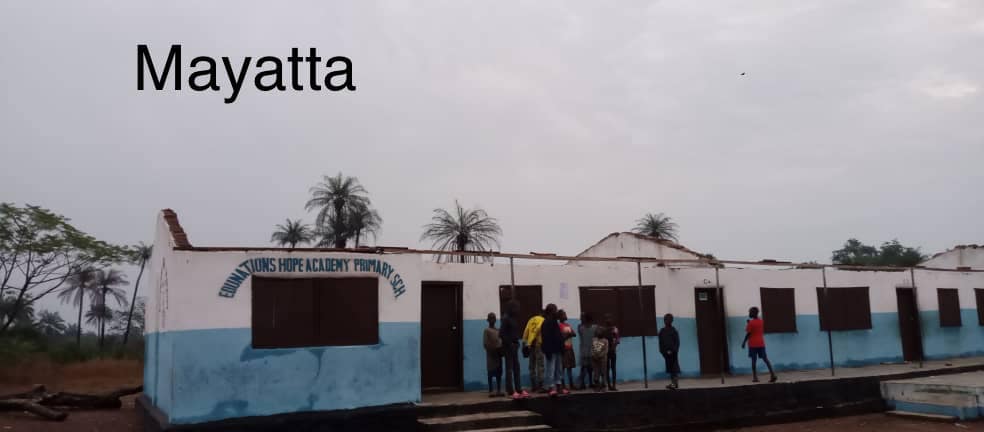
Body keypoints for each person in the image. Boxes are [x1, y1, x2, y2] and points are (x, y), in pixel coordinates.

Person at [741, 306, 778, 383]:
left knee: (753, 361)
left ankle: (755, 377)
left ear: (753, 313)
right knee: (766, 359)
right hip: (761, 343)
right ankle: (773, 374)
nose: (749, 313)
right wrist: (749, 323)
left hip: (753, 344)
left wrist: (744, 342)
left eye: (750, 312)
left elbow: (748, 334)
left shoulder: (751, 323)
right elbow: (756, 328)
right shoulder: (761, 321)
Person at [500, 301, 528, 399]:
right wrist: (510, 343)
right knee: (509, 369)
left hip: (515, 346)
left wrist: (517, 343)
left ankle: (518, 389)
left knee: (516, 368)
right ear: (511, 308)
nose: (518, 310)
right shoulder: (506, 319)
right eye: (516, 308)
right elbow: (501, 334)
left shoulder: (513, 319)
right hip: (508, 347)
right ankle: (510, 391)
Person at [540, 303, 566, 396]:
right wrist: (547, 351)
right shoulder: (546, 322)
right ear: (551, 311)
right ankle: (551, 387)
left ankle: (559, 386)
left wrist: (562, 348)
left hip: (557, 349)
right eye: (555, 310)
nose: (556, 311)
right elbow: (546, 338)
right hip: (550, 350)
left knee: (559, 369)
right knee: (550, 369)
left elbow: (558, 336)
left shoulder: (555, 322)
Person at [523, 309, 546, 392]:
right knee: (540, 365)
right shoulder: (543, 320)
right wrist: (532, 340)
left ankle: (533, 386)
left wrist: (525, 342)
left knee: (532, 365)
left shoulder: (531, 319)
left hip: (530, 345)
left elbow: (526, 331)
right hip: (538, 344)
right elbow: (538, 329)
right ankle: (540, 386)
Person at [483, 312, 504, 397]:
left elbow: (500, 341)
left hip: (499, 354)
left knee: (499, 373)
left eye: (493, 318)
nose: (492, 320)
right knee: (490, 372)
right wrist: (491, 350)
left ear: (495, 320)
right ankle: (491, 390)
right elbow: (485, 343)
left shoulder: (498, 330)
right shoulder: (486, 330)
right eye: (490, 318)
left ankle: (499, 390)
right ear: (488, 320)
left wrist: (501, 351)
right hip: (491, 354)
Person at [658, 313, 681, 390]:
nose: (667, 321)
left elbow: (677, 343)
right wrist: (663, 352)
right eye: (666, 320)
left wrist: (673, 351)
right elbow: (660, 343)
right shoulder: (662, 331)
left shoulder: (674, 331)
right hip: (666, 353)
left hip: (673, 353)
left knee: (674, 368)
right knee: (670, 368)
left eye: (669, 320)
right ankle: (673, 383)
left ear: (672, 321)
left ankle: (674, 383)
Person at [577, 312, 596, 390]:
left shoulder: (581, 327)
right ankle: (586, 383)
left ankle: (584, 383)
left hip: (585, 350)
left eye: (583, 317)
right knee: (587, 368)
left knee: (586, 368)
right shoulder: (594, 327)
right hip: (589, 350)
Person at [558, 309, 576, 391]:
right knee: (563, 367)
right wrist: (568, 335)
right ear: (560, 316)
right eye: (564, 314)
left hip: (570, 348)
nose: (565, 315)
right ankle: (563, 384)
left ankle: (571, 384)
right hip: (564, 349)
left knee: (570, 367)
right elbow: (560, 338)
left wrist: (569, 334)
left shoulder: (567, 325)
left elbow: (574, 334)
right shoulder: (559, 326)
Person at [591, 324, 610, 392]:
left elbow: (605, 350)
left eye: (600, 331)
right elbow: (592, 348)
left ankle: (604, 386)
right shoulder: (593, 339)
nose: (599, 332)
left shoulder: (605, 341)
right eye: (598, 331)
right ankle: (597, 386)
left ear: (603, 332)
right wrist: (593, 355)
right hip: (594, 359)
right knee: (596, 373)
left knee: (603, 372)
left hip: (602, 359)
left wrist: (599, 356)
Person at [605, 315, 620, 391]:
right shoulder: (604, 330)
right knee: (608, 368)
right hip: (607, 352)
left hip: (611, 351)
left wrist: (613, 348)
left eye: (609, 319)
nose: (608, 320)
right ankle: (610, 385)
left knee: (612, 368)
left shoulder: (614, 329)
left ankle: (613, 385)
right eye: (607, 319)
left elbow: (617, 340)